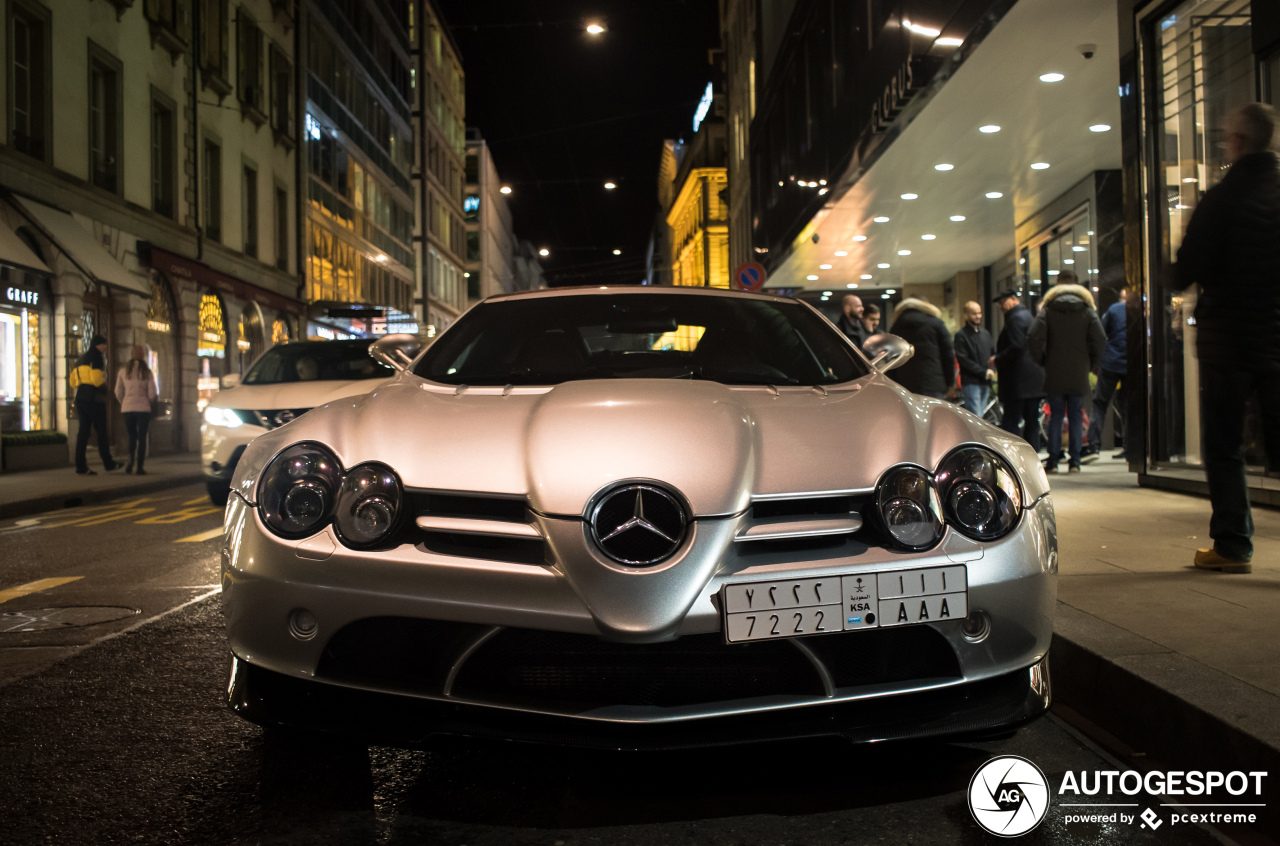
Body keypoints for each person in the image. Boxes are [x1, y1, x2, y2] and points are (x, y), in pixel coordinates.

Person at [1175, 102, 1280, 574]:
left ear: (1238, 142)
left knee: (1225, 442)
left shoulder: (1221, 200)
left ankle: (1234, 545)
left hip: (1229, 342)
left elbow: (1183, 273)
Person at [1027, 272, 1106, 473]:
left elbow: (1033, 335)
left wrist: (1042, 360)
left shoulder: (1048, 309)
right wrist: (1092, 363)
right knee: (1076, 416)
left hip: (1054, 368)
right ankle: (1075, 462)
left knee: (1055, 416)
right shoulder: (1087, 309)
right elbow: (1100, 339)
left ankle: (1053, 461)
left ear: (1057, 285)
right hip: (1079, 369)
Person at [992, 290, 1044, 451]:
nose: (1001, 306)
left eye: (1003, 302)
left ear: (1014, 299)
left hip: (1019, 382)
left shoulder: (1015, 319)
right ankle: (1032, 456)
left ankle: (1010, 457)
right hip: (1033, 381)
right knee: (1031, 423)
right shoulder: (1028, 316)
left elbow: (1017, 347)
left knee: (1011, 422)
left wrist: (997, 359)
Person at [1083, 287, 1130, 463]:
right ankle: (1130, 447)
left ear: (1120, 297)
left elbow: (1102, 334)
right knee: (1128, 406)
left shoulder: (1114, 309)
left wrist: (1097, 361)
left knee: (1100, 403)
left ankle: (1094, 445)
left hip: (1111, 362)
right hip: (1131, 362)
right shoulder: (1140, 309)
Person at [887, 297, 954, 399]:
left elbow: (891, 360)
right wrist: (950, 383)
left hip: (905, 385)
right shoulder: (936, 323)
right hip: (933, 384)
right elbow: (948, 355)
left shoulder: (896, 327)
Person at [71, 334, 119, 475]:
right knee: (102, 432)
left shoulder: (80, 359)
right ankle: (109, 463)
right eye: (104, 345)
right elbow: (97, 380)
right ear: (99, 345)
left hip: (81, 398)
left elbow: (72, 382)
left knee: (83, 433)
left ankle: (81, 466)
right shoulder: (97, 357)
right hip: (94, 399)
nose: (105, 348)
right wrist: (107, 390)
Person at [115, 345, 158, 475]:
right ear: (143, 356)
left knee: (132, 436)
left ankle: (130, 463)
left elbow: (118, 391)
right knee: (142, 437)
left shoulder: (123, 371)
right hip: (143, 408)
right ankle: (140, 467)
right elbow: (152, 393)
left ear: (131, 355)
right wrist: (148, 402)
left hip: (128, 408)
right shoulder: (147, 372)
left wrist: (124, 402)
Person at [954, 300, 996, 416]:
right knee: (975, 416)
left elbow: (993, 354)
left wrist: (992, 370)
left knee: (980, 416)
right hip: (971, 382)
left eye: (979, 313)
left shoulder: (985, 334)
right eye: (974, 313)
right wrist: (983, 372)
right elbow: (963, 360)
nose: (978, 316)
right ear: (966, 315)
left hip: (985, 381)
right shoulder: (961, 336)